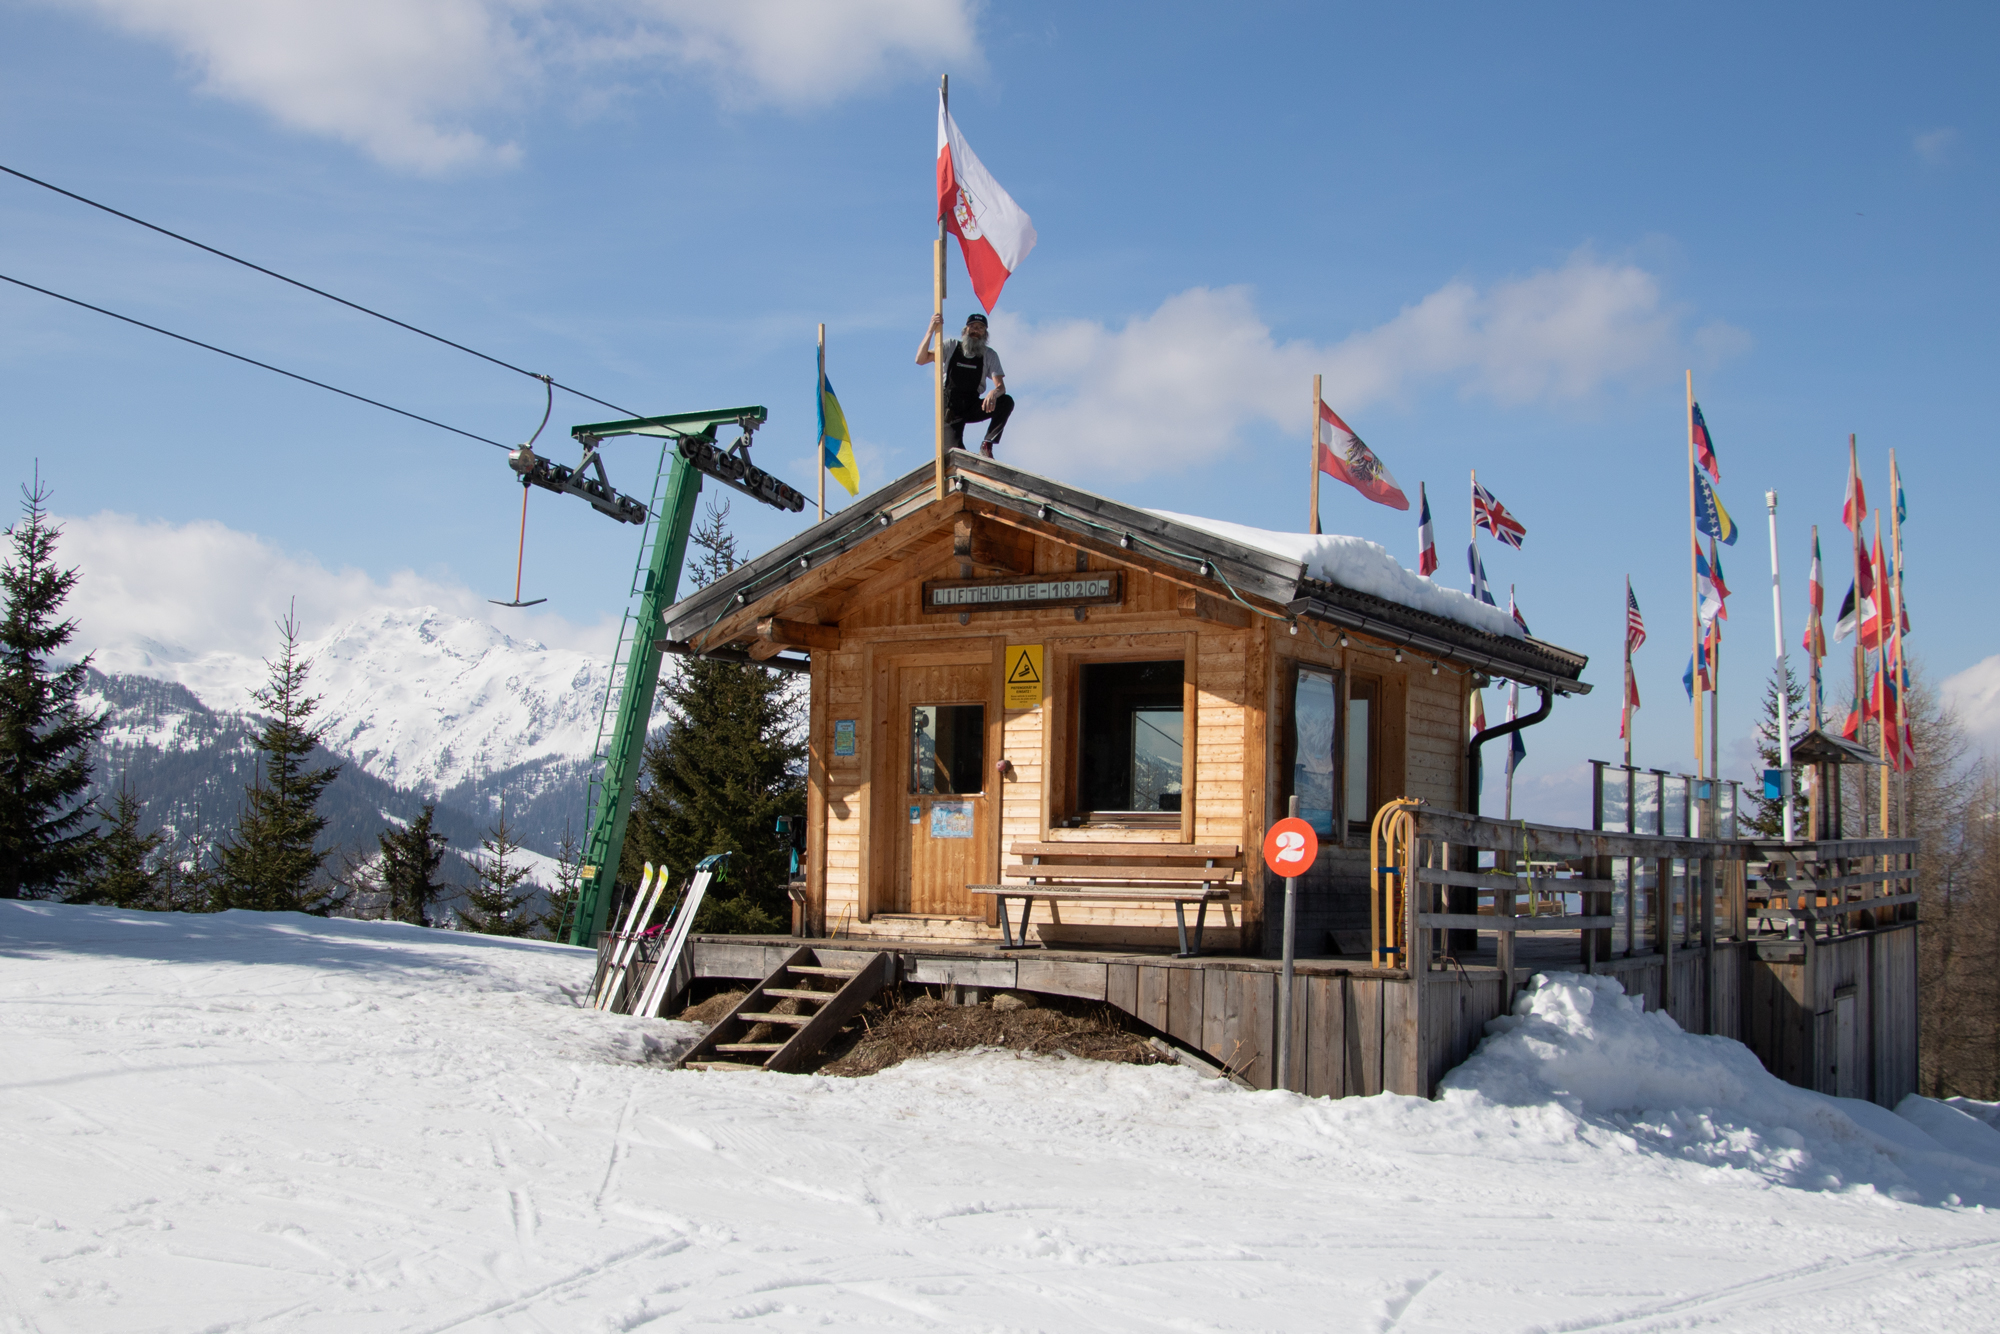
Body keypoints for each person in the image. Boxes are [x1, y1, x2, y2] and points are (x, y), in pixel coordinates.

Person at [916, 311, 1012, 456]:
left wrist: (994, 392)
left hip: (972, 404)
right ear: (965, 330)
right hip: (951, 409)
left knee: (1006, 401)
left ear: (985, 333)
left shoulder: (989, 355)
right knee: (954, 454)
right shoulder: (951, 346)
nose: (976, 331)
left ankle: (987, 444)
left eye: (980, 328)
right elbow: (921, 359)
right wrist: (931, 329)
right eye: (972, 327)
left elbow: (1001, 387)